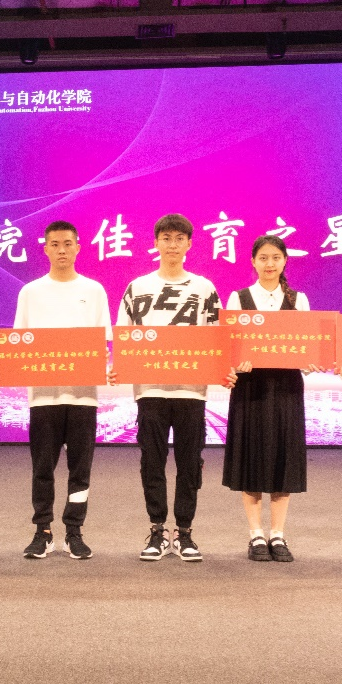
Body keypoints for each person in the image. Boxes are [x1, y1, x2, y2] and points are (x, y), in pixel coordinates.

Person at [112, 214, 223, 563]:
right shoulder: (137, 287)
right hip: (151, 391)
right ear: (156, 243)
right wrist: (118, 367)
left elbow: (217, 338)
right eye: (166, 238)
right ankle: (157, 529)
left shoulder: (204, 289)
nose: (172, 245)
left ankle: (185, 531)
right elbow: (124, 336)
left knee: (190, 464)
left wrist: (222, 369)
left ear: (189, 244)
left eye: (179, 238)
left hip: (191, 391)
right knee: (152, 462)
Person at [15, 221, 112, 560]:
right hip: (43, 397)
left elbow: (103, 342)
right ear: (45, 249)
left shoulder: (94, 290)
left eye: (67, 244)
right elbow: (20, 341)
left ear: (78, 247)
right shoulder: (30, 292)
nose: (61, 250)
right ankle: (42, 531)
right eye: (54, 244)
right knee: (42, 468)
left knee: (80, 470)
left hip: (83, 396)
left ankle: (74, 531)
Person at [222, 234, 311, 563]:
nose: (269, 264)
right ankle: (255, 534)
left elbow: (306, 346)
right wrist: (235, 362)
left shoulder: (299, 299)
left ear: (284, 260)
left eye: (275, 257)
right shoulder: (239, 298)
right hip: (251, 387)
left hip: (286, 387)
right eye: (263, 258)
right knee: (252, 458)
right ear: (253, 262)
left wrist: (310, 360)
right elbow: (229, 346)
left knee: (283, 459)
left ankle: (278, 534)